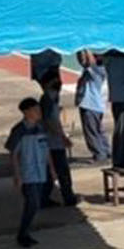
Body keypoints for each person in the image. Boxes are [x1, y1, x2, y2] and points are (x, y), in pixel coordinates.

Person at [5, 97, 51, 248]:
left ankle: (25, 233)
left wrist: (52, 169)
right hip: (28, 173)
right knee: (32, 203)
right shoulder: (19, 131)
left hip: (40, 172)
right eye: (36, 110)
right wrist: (17, 175)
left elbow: (46, 150)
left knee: (35, 204)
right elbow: (14, 154)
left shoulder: (41, 128)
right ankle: (22, 233)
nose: (39, 113)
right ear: (26, 112)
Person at [36, 69, 79, 208]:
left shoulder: (51, 99)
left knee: (53, 172)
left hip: (54, 140)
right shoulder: (48, 100)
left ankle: (45, 197)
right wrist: (61, 136)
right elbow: (49, 121)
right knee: (61, 171)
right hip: (53, 141)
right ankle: (68, 197)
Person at [75, 50, 109, 164]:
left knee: (91, 131)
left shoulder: (97, 70)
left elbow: (89, 61)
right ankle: (105, 150)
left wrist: (86, 46)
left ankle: (99, 153)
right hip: (96, 105)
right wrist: (80, 49)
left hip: (91, 105)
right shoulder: (96, 70)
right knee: (98, 129)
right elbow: (83, 61)